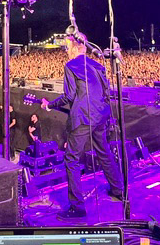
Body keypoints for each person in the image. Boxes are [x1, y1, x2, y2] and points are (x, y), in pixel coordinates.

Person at [40, 31, 124, 219]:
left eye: (67, 47)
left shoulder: (70, 66)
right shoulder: (97, 65)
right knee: (104, 152)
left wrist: (49, 105)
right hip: (100, 115)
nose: (66, 50)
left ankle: (77, 208)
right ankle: (118, 190)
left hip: (83, 118)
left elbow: (69, 96)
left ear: (76, 47)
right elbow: (105, 92)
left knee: (71, 159)